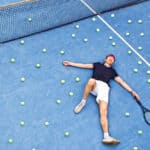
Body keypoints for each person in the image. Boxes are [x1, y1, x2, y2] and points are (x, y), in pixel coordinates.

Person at [63, 54, 140, 144]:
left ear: (113, 62)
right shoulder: (97, 65)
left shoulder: (113, 72)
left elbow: (121, 82)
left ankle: (106, 136)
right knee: (91, 80)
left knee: (104, 113)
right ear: (105, 59)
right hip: (94, 85)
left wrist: (132, 91)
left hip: (104, 89)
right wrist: (71, 63)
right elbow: (84, 65)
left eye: (113, 59)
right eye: (109, 58)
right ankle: (83, 102)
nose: (111, 59)